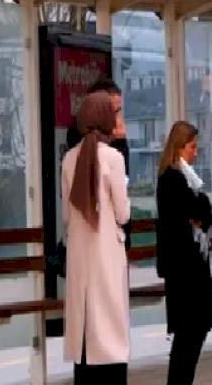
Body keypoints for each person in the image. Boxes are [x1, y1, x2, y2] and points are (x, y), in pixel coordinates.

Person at [62, 92, 132, 384]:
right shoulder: (113, 158)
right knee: (110, 330)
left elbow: (67, 215)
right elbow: (123, 214)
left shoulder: (69, 158)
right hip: (107, 255)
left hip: (79, 254)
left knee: (84, 328)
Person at [155, 121, 212, 385]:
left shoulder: (186, 178)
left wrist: (199, 211)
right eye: (192, 147)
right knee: (188, 336)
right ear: (179, 148)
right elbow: (195, 208)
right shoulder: (172, 179)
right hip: (184, 270)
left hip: (191, 267)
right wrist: (199, 210)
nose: (196, 152)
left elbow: (203, 212)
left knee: (194, 333)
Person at [67, 78, 133, 250]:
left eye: (119, 111)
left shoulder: (113, 145)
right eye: (113, 111)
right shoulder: (84, 145)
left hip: (91, 241)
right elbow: (122, 210)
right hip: (102, 237)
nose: (117, 118)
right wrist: (119, 145)